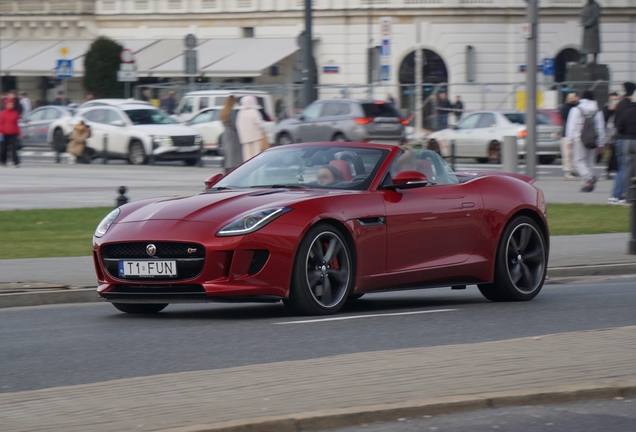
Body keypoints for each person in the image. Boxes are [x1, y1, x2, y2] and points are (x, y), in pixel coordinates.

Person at [565, 90, 605, 192]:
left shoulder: (576, 109)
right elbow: (600, 127)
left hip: (579, 138)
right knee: (590, 162)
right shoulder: (597, 111)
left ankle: (588, 178)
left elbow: (571, 125)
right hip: (593, 139)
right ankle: (586, 185)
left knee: (578, 161)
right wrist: (601, 142)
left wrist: (569, 139)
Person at [609, 82, 636, 204]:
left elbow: (617, 123)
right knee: (625, 168)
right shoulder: (629, 106)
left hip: (622, 138)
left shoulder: (621, 104)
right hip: (628, 138)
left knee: (624, 167)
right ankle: (620, 194)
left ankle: (620, 194)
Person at [616, 84, 636, 203]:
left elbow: (619, 126)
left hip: (627, 141)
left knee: (628, 169)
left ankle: (628, 196)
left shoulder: (627, 111)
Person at [236, 95, 266, 161]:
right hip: (256, 138)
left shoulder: (240, 113)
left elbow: (238, 125)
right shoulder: (254, 112)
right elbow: (260, 124)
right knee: (257, 157)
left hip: (245, 139)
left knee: (247, 158)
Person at [559, 92, 580, 180]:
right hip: (566, 133)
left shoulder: (578, 107)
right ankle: (568, 171)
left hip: (576, 133)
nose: (575, 98)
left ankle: (574, 170)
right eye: (573, 97)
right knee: (567, 153)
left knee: (575, 154)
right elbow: (563, 114)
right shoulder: (566, 107)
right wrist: (569, 102)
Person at [220, 95, 242, 174]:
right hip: (233, 135)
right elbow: (236, 124)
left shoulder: (224, 111)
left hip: (226, 134)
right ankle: (232, 170)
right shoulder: (232, 112)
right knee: (234, 154)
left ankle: (227, 169)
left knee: (228, 153)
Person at [602, 92, 620, 180]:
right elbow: (603, 120)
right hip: (608, 136)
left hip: (618, 134)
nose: (614, 102)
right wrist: (609, 110)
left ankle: (617, 171)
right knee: (608, 155)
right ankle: (607, 171)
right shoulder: (606, 109)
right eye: (612, 100)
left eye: (615, 100)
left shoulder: (620, 108)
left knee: (617, 154)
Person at [0, 99, 21, 167]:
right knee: (3, 148)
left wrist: (18, 133)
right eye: (9, 104)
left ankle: (15, 162)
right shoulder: (3, 113)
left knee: (14, 148)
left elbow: (16, 124)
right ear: (6, 105)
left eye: (12, 104)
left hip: (13, 132)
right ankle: (3, 161)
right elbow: (1, 123)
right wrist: (1, 132)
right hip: (4, 133)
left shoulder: (15, 113)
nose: (11, 105)